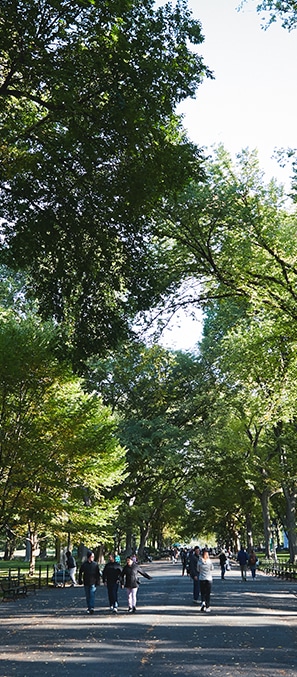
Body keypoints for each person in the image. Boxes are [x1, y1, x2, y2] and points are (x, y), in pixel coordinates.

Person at [198, 548, 213, 612]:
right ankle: (207, 606)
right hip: (208, 578)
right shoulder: (209, 562)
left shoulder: (199, 562)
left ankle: (203, 602)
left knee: (202, 592)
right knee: (208, 593)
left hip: (202, 578)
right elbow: (212, 568)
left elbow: (198, 569)